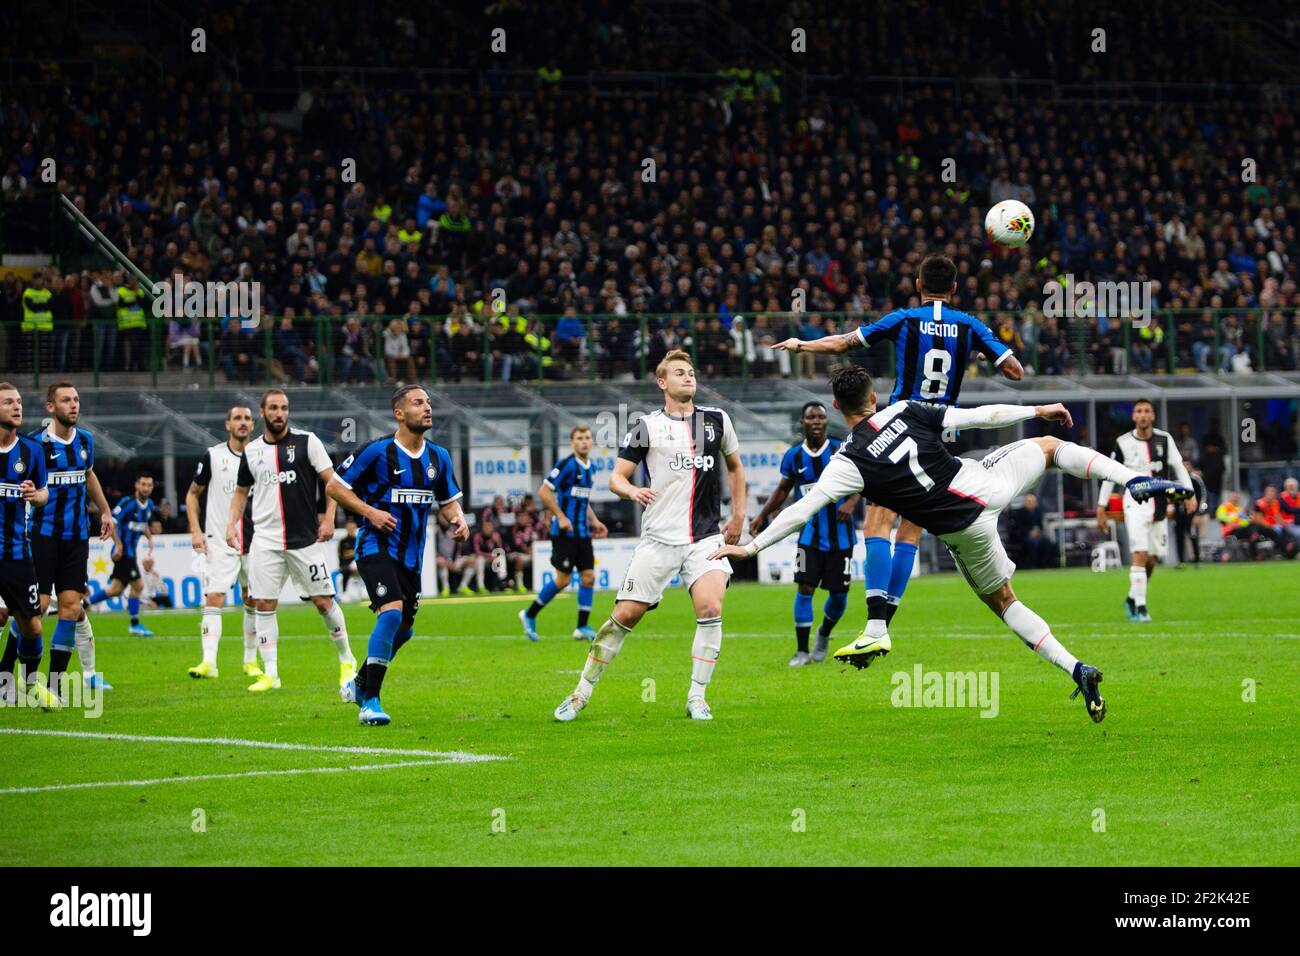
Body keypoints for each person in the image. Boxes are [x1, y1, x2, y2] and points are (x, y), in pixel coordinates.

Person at [710, 365, 1192, 724]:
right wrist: (1037, 409)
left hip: (965, 529)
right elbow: (981, 416)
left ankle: (1075, 667)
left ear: (838, 408)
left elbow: (801, 508)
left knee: (1004, 603)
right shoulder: (903, 410)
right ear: (875, 397)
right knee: (1049, 448)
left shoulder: (847, 460)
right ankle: (1131, 480)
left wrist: (750, 549)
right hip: (988, 482)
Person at [771, 255, 1024, 643]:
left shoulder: (904, 318)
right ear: (954, 288)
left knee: (877, 524)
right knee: (911, 531)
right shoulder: (971, 325)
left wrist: (802, 344)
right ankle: (886, 619)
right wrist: (976, 352)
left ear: (918, 285)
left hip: (901, 429)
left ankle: (874, 625)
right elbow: (1014, 371)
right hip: (941, 434)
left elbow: (843, 343)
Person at [553, 349, 746, 723]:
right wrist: (631, 492)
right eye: (679, 373)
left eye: (691, 372)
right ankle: (581, 692)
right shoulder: (646, 426)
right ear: (662, 382)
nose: (688, 377)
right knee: (624, 616)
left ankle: (697, 697)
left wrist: (738, 516)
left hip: (705, 539)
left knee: (710, 609)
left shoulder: (718, 420)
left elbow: (735, 468)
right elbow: (615, 478)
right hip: (659, 539)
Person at [328, 384, 468, 725]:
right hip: (375, 546)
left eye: (429, 402)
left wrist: (459, 520)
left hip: (411, 557)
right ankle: (371, 702)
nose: (427, 408)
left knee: (404, 631)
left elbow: (448, 502)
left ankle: (361, 683)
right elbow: (334, 486)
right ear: (399, 413)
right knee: (390, 616)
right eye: (418, 403)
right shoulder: (376, 452)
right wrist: (369, 512)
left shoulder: (439, 457)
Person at [227, 389, 355, 693]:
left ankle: (347, 659)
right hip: (265, 542)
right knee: (263, 604)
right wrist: (231, 525)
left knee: (324, 601)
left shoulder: (307, 442)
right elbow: (241, 492)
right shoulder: (252, 451)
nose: (279, 413)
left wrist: (328, 518)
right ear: (262, 412)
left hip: (305, 541)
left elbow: (333, 482)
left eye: (284, 408)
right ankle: (271, 673)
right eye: (273, 408)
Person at [23, 382, 117, 695]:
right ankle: (13, 673)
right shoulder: (34, 445)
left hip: (76, 536)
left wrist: (105, 511)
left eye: (76, 399)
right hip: (41, 534)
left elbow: (89, 475)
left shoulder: (86, 440)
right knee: (36, 608)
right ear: (51, 407)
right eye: (66, 400)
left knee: (71, 607)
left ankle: (55, 684)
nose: (73, 405)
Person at [749, 401, 859, 666]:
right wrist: (762, 516)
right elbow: (782, 490)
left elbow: (861, 477)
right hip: (808, 536)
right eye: (811, 417)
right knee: (805, 587)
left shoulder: (839, 449)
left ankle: (824, 634)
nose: (817, 421)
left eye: (821, 417)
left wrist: (851, 502)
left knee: (839, 595)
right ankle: (801, 651)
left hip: (840, 536)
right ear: (803, 423)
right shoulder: (793, 456)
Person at [1096, 399, 1195, 622]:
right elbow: (1109, 474)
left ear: (1153, 416)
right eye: (1138, 411)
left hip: (1159, 505)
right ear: (1133, 416)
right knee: (1139, 554)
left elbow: (1179, 467)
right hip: (1134, 504)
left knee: (1151, 560)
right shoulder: (1122, 443)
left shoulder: (1164, 439)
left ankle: (1133, 597)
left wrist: (1190, 494)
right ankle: (1141, 608)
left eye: (1147, 411)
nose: (1142, 415)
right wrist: (1101, 506)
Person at [185, 404, 261, 679]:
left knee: (252, 599)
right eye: (237, 418)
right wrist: (195, 531)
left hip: (257, 540)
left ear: (253, 425)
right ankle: (208, 662)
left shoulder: (262, 455)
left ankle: (250, 661)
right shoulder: (213, 456)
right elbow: (192, 495)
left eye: (247, 419)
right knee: (214, 596)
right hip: (220, 539)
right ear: (227, 424)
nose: (242, 423)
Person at [520, 424, 608, 641]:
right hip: (564, 533)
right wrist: (560, 516)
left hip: (583, 532)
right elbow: (544, 491)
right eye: (579, 438)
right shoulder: (567, 465)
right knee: (563, 579)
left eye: (587, 437)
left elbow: (583, 499)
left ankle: (582, 627)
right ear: (572, 442)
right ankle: (529, 614)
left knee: (588, 577)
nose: (584, 441)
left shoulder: (591, 468)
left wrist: (595, 521)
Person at [0, 383, 59, 708]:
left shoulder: (31, 450)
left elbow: (44, 492)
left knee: (32, 627)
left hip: (17, 554)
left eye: (19, 401)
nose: (17, 406)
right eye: (9, 402)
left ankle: (31, 684)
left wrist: (37, 497)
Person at [86, 470, 157, 636]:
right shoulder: (127, 503)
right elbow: (113, 523)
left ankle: (84, 604)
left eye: (149, 485)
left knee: (115, 589)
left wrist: (149, 537)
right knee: (138, 585)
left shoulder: (150, 505)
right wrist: (118, 544)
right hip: (122, 552)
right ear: (137, 485)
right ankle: (134, 624)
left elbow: (143, 524)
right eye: (143, 484)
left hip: (130, 553)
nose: (146, 488)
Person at [1007, 493, 1055, 570]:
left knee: (1047, 541)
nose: (1030, 503)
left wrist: (1038, 532)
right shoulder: (1019, 513)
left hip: (1036, 534)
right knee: (1032, 542)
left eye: (1032, 501)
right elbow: (1017, 527)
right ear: (1024, 502)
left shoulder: (1038, 512)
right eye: (1028, 501)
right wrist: (1028, 532)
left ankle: (1044, 564)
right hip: (1023, 536)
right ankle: (1032, 564)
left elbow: (1040, 525)